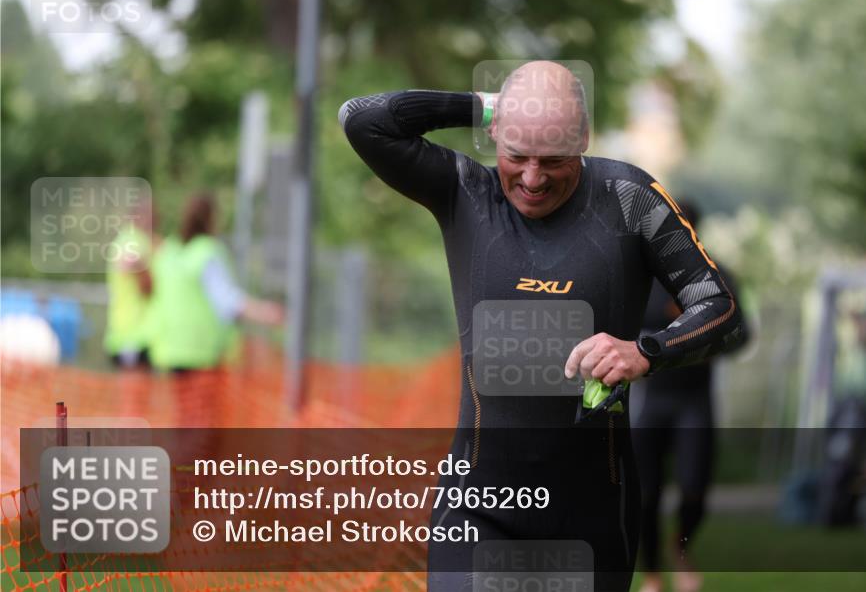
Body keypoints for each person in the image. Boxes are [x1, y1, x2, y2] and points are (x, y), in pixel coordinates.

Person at [339, 61, 745, 591]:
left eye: (553, 160)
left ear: (583, 139)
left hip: (592, 515)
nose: (532, 179)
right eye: (516, 155)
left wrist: (646, 351)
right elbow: (362, 120)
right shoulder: (466, 193)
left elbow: (721, 310)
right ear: (494, 137)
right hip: (479, 508)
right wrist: (487, 105)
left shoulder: (630, 200)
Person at [631, 199, 750, 592]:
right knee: (644, 495)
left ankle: (680, 547)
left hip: (694, 400)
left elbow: (740, 334)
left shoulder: (716, 277)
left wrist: (698, 344)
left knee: (695, 490)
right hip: (650, 399)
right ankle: (651, 573)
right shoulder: (642, 276)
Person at [147, 193, 285, 374]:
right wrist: (265, 313)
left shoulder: (168, 252)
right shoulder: (207, 252)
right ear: (210, 219)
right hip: (202, 352)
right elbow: (227, 300)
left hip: (170, 350)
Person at [104, 198, 156, 370]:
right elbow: (127, 263)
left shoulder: (133, 239)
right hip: (132, 333)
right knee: (133, 392)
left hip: (135, 332)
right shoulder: (133, 239)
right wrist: (146, 274)